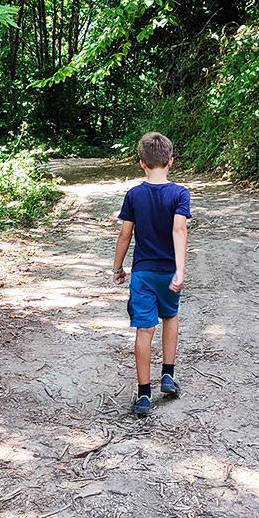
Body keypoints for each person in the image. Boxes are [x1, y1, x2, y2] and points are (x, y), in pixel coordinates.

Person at [113, 132, 191, 417]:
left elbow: (125, 235)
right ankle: (168, 375)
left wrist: (118, 267)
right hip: (169, 272)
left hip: (143, 273)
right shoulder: (180, 193)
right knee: (170, 317)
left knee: (144, 329)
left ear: (142, 163)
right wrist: (180, 270)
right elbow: (179, 230)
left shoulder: (134, 195)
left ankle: (144, 394)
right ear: (171, 161)